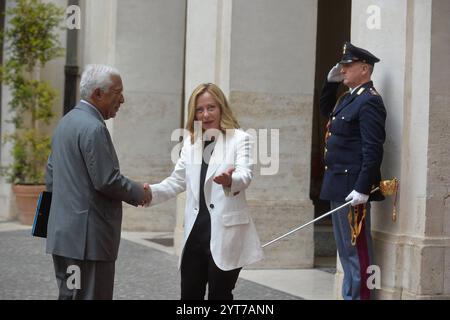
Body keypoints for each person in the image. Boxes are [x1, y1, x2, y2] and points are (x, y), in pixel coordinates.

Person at [146, 83, 264, 300]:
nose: (206, 114)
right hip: (195, 236)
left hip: (226, 234)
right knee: (189, 297)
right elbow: (176, 181)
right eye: (200, 109)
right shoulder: (190, 144)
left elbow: (245, 175)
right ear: (194, 114)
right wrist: (147, 193)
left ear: (221, 108)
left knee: (220, 296)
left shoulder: (240, 139)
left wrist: (230, 180)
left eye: (211, 107)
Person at [45, 64, 151, 300]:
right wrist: (140, 192)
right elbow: (106, 180)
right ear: (97, 94)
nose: (122, 99)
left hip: (64, 238)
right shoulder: (93, 128)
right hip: (88, 243)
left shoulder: (66, 123)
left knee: (70, 296)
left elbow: (51, 176)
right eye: (117, 92)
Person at [319, 42, 386, 300]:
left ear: (364, 69)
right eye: (342, 66)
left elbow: (373, 149)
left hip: (353, 188)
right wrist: (329, 82)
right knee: (346, 251)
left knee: (358, 252)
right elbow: (326, 111)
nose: (343, 70)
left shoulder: (369, 102)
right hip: (338, 185)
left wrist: (362, 187)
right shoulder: (348, 99)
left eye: (348, 66)